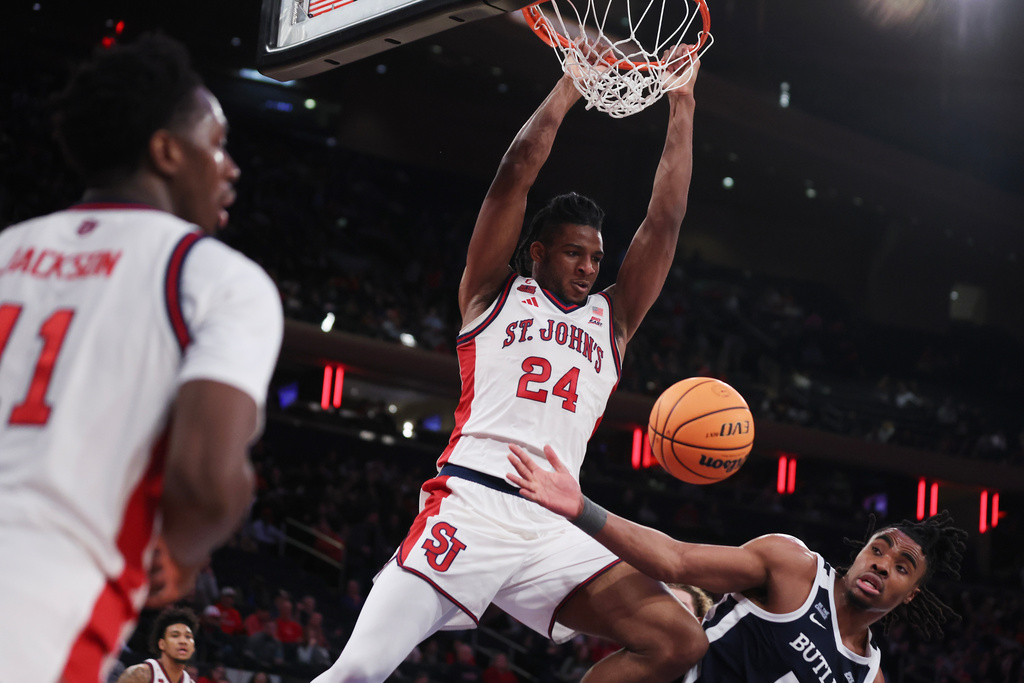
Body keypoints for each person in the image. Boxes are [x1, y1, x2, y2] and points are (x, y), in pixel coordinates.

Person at [316, 44, 704, 683]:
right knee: (358, 671)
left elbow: (664, 222)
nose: (587, 268)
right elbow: (515, 172)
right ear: (537, 251)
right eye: (574, 253)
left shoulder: (614, 320)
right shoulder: (490, 293)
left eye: (595, 259)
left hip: (555, 523)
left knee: (677, 639)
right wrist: (570, 85)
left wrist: (682, 105)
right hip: (473, 505)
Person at [0, 34, 283, 683]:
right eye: (216, 145)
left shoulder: (10, 247)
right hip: (39, 609)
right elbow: (207, 485)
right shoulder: (216, 277)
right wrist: (183, 554)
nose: (231, 167)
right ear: (165, 151)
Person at [506, 443, 969, 682]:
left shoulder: (867, 677)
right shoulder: (795, 569)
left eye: (903, 566)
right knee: (679, 641)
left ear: (910, 595)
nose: (883, 564)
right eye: (879, 548)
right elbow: (674, 559)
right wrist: (581, 508)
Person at [114, 607, 198, 683]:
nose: (183, 641)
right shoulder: (140, 674)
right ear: (162, 644)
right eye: (175, 635)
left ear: (193, 647)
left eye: (188, 636)